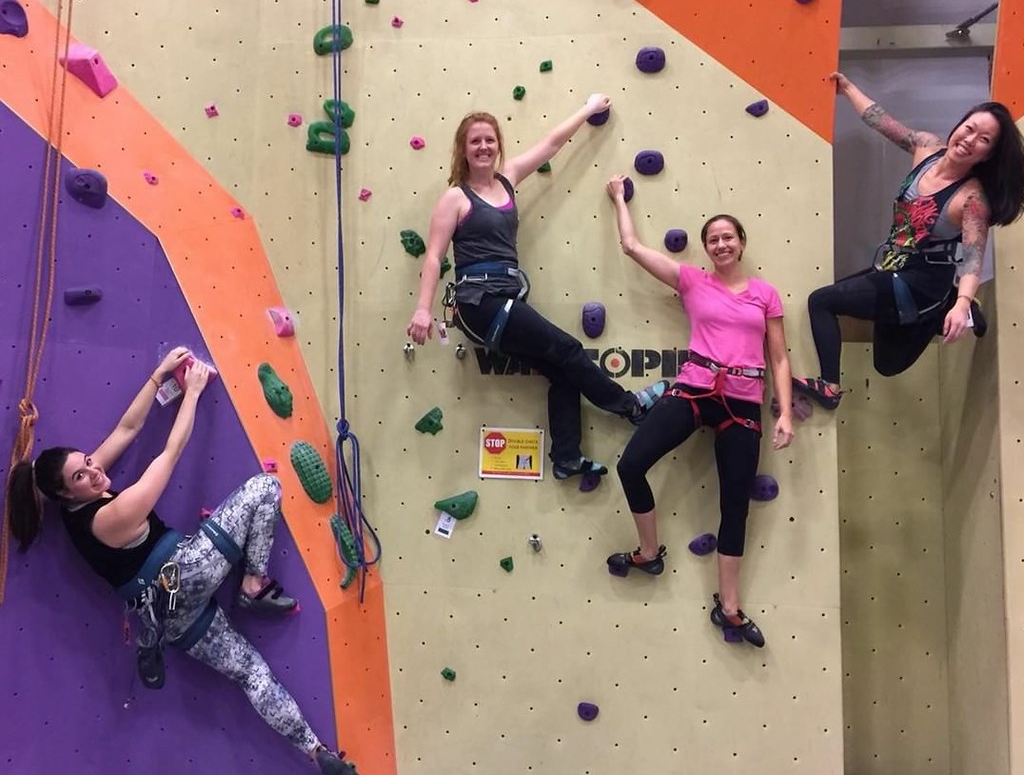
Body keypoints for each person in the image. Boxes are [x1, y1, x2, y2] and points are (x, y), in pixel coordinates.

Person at [5, 348, 356, 775]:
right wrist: (190, 392)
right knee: (265, 488)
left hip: (171, 616)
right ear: (65, 494)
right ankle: (252, 586)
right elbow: (168, 456)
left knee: (251, 673)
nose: (95, 472)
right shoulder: (108, 519)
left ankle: (317, 752)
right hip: (181, 573)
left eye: (88, 462)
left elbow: (127, 428)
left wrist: (157, 376)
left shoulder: (79, 502)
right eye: (81, 475)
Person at [405, 96, 667, 480]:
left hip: (505, 299)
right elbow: (432, 257)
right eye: (475, 141)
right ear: (462, 149)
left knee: (563, 370)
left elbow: (551, 144)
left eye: (489, 140)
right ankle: (630, 407)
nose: (483, 147)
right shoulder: (455, 198)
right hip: (480, 302)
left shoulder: (507, 179)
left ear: (498, 146)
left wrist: (588, 108)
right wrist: (423, 309)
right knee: (569, 349)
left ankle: (566, 458)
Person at [604, 176, 794, 648]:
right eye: (713, 239)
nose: (721, 243)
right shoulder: (692, 280)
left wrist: (785, 413)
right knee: (630, 465)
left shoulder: (765, 295)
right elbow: (630, 246)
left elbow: (780, 358)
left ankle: (729, 607)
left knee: (734, 505)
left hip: (744, 402)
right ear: (706, 248)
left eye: (728, 236)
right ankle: (649, 553)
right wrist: (618, 199)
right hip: (694, 390)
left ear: (742, 243)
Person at [792, 72, 1024, 410]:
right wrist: (848, 88)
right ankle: (945, 306)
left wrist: (962, 303)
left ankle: (829, 388)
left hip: (921, 283)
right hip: (892, 266)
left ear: (987, 155)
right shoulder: (926, 148)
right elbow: (881, 121)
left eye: (984, 139)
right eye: (970, 128)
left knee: (823, 302)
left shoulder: (971, 200)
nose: (970, 139)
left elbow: (973, 259)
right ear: (959, 125)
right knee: (884, 361)